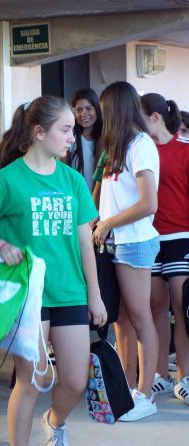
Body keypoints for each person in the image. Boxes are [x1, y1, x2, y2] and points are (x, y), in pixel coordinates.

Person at [0, 96, 107, 446]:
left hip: (70, 290)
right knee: (32, 380)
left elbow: (85, 242)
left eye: (73, 130)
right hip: (29, 294)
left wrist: (96, 295)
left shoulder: (73, 181)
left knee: (75, 381)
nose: (72, 137)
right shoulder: (8, 180)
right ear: (40, 132)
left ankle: (55, 423)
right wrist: (0, 245)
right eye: (65, 130)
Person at [92, 81, 160, 421]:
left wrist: (107, 224)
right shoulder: (119, 147)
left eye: (105, 109)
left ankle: (145, 395)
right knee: (121, 319)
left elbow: (149, 204)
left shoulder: (141, 146)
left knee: (140, 317)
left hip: (133, 243)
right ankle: (127, 388)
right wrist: (100, 223)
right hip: (116, 242)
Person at [140, 93, 189, 405]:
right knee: (156, 307)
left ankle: (185, 377)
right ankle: (160, 375)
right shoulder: (142, 151)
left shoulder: (184, 149)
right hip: (149, 239)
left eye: (139, 117)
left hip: (182, 237)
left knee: (182, 310)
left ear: (153, 117)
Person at [65, 88, 103, 191]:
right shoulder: (70, 136)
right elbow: (63, 170)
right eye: (79, 110)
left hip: (100, 199)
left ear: (97, 109)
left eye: (89, 108)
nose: (83, 114)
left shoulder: (105, 136)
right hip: (76, 197)